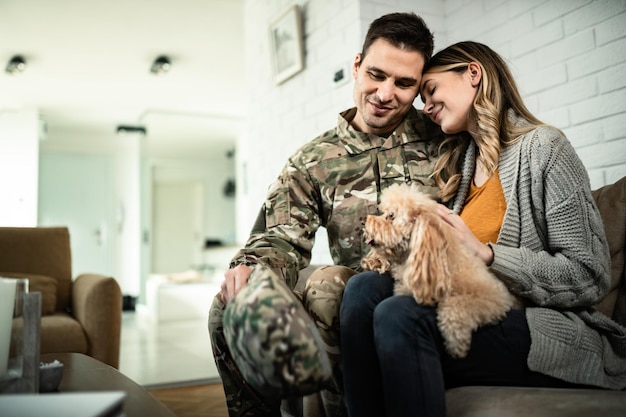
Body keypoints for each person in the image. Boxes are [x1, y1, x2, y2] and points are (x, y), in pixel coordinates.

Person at [340, 41, 626, 417]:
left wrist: (488, 254)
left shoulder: (545, 148)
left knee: (400, 316)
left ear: (473, 74)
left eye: (432, 90)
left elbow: (590, 276)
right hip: (474, 309)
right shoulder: (462, 168)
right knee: (362, 289)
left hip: (546, 327)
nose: (426, 107)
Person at [208, 12, 446, 417]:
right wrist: (250, 268)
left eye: (403, 83)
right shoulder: (312, 161)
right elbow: (280, 236)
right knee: (227, 305)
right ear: (356, 66)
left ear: (418, 87)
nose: (386, 93)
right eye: (376, 74)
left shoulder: (442, 136)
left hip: (431, 288)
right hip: (360, 296)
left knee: (331, 285)